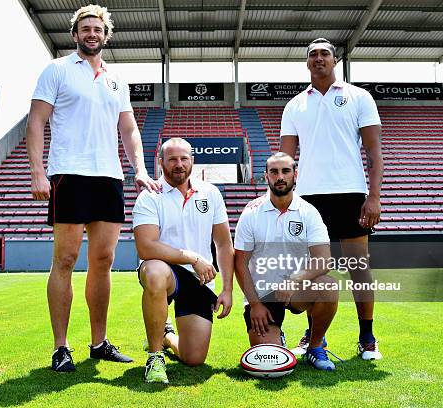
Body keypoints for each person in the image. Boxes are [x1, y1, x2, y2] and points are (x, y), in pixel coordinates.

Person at [26, 4, 159, 372]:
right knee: (65, 261)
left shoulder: (117, 81)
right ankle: (60, 348)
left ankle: (99, 343)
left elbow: (129, 129)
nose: (91, 34)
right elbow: (36, 122)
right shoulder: (57, 70)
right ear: (75, 35)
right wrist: (38, 173)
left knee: (103, 262)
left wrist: (139, 169)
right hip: (69, 174)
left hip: (109, 178)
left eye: (97, 29)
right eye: (85, 28)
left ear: (106, 35)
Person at [279, 38, 384, 360]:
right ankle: (315, 337)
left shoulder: (359, 97)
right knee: (315, 270)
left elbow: (374, 149)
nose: (319, 59)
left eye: (325, 54)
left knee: (358, 267)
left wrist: (374, 197)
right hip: (309, 197)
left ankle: (367, 337)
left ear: (334, 60)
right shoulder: (295, 105)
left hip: (351, 192)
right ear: (307, 63)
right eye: (313, 54)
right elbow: (285, 157)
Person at [132, 138, 234, 384]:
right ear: (161, 163)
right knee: (155, 272)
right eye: (172, 159)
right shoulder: (150, 196)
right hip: (165, 270)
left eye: (184, 158)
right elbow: (146, 246)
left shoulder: (210, 193)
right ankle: (155, 357)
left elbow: (223, 243)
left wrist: (228, 289)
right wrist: (192, 257)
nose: (179, 164)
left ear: (192, 161)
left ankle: (166, 336)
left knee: (194, 358)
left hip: (200, 278)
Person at [234, 152, 340, 371]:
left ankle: (315, 345)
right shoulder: (251, 213)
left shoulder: (308, 212)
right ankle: (275, 336)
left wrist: (294, 280)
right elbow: (240, 263)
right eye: (274, 172)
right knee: (269, 362)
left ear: (295, 175)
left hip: (296, 290)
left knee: (328, 286)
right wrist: (254, 305)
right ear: (266, 176)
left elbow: (324, 260)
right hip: (263, 296)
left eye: (285, 171)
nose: (280, 176)